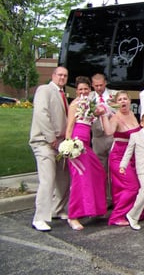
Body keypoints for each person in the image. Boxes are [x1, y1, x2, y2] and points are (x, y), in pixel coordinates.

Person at [29, 66, 71, 232]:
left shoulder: (62, 94)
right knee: (48, 180)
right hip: (44, 142)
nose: (62, 78)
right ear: (53, 75)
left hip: (60, 143)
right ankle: (39, 218)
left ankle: (57, 209)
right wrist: (51, 137)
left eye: (65, 76)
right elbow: (41, 114)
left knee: (64, 178)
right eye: (59, 75)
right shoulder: (44, 90)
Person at [64, 76, 107, 230]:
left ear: (90, 90)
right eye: (80, 89)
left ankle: (94, 209)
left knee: (98, 172)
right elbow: (69, 126)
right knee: (79, 179)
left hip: (86, 145)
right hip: (76, 144)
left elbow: (99, 111)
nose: (83, 92)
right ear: (76, 91)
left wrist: (102, 110)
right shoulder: (75, 104)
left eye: (86, 89)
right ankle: (73, 216)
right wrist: (68, 146)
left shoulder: (90, 104)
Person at [100, 91, 143, 226]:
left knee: (132, 186)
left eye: (125, 99)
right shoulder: (115, 118)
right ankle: (116, 216)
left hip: (133, 156)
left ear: (130, 101)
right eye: (120, 100)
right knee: (132, 186)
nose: (123, 101)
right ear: (116, 104)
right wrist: (104, 116)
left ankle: (131, 213)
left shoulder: (132, 115)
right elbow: (108, 132)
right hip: (119, 157)